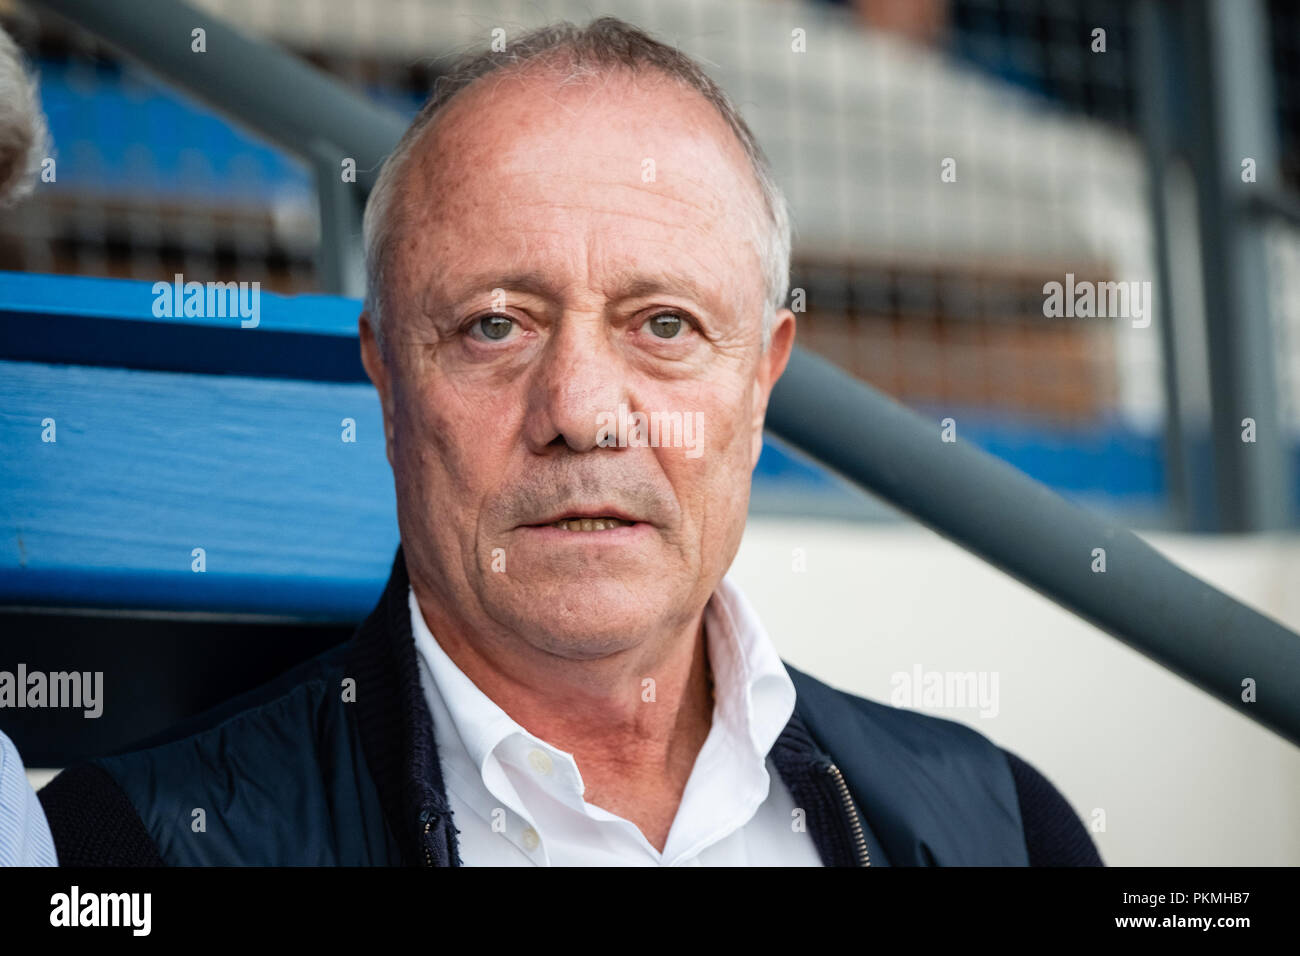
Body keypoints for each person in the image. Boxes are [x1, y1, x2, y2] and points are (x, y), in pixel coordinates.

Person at [39, 17, 1101, 866]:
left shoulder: (1008, 827)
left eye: (665, 325)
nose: (583, 409)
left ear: (761, 377)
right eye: (494, 325)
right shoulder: (118, 852)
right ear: (387, 376)